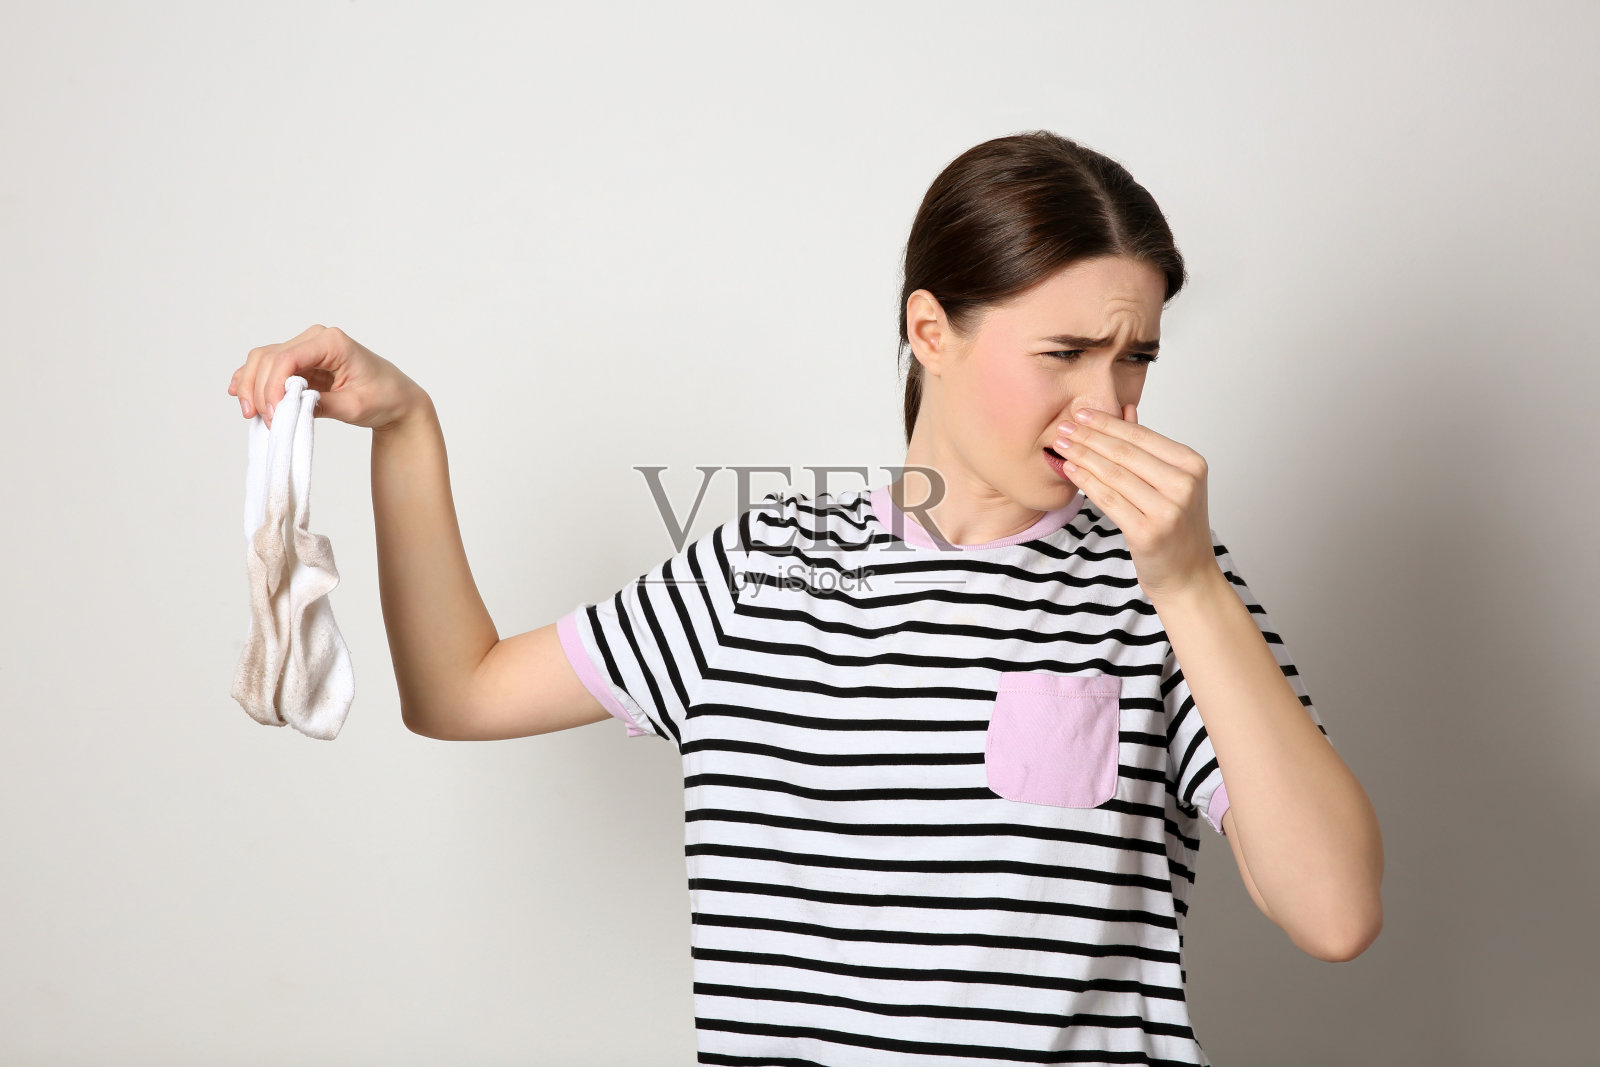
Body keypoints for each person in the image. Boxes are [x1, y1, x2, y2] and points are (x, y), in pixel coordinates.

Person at [227, 130, 1383, 1066]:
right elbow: (457, 690)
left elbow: (1334, 913)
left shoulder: (1172, 596)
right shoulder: (759, 568)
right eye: (1064, 353)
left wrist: (1185, 581)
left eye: (1136, 358)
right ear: (929, 329)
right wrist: (407, 426)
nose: (1111, 403)